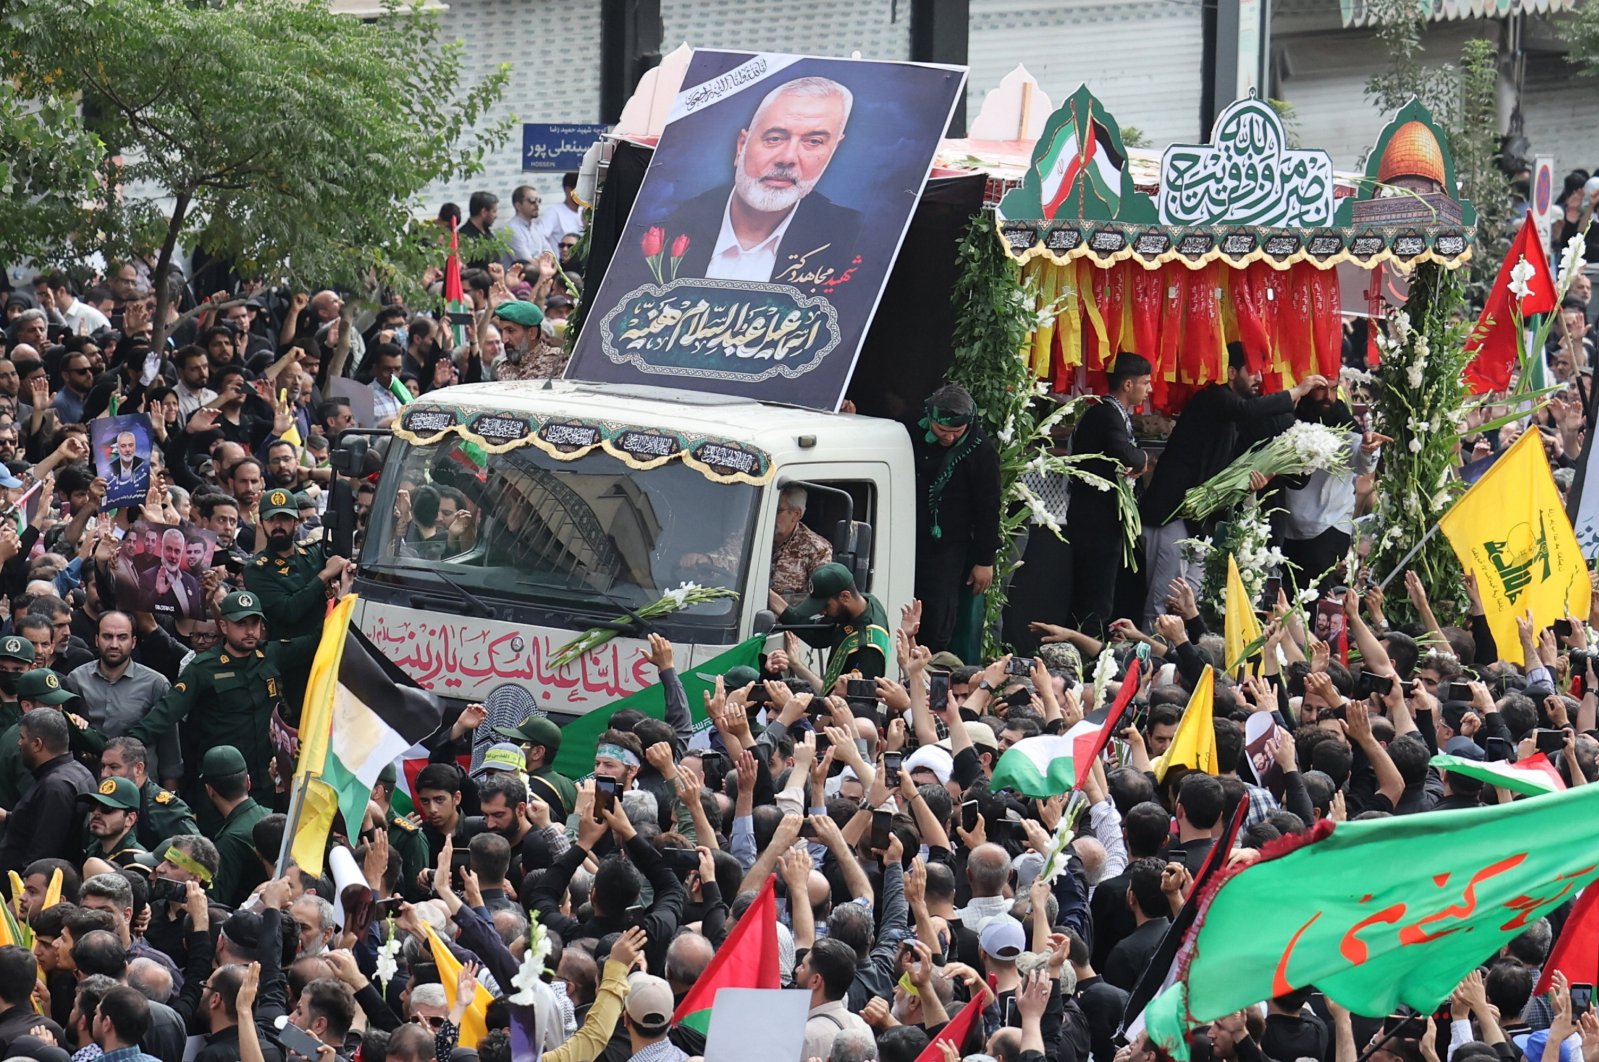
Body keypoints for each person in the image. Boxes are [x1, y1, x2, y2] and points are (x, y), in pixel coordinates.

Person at [1138, 346, 1327, 626]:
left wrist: (1250, 486)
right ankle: (1150, 663)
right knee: (1164, 600)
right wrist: (1296, 392)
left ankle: (1178, 661)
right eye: (1252, 371)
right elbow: (1246, 409)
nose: (1258, 378)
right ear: (1230, 372)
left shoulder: (1232, 419)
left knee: (1191, 600)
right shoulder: (1213, 398)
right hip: (1171, 512)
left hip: (1195, 521)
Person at [658, 76, 861, 285]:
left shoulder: (855, 240)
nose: (788, 158)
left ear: (832, 152)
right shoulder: (665, 225)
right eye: (774, 138)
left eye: (813, 142)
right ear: (741, 146)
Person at [1066, 353, 1151, 639]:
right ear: (1128, 384)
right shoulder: (1105, 413)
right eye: (1145, 383)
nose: (1149, 389)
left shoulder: (1112, 413)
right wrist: (1142, 458)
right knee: (1095, 599)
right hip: (1096, 522)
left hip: (1100, 522)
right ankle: (1088, 657)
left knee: (1097, 595)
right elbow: (1125, 454)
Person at [913, 383, 1001, 653]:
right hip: (910, 533)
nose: (949, 438)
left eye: (956, 432)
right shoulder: (913, 432)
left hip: (950, 546)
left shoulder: (981, 451)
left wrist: (984, 560)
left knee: (938, 611)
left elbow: (988, 508)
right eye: (941, 431)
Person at [774, 562, 892, 688]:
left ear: (845, 596)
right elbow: (818, 636)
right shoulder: (865, 603)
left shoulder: (867, 649)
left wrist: (797, 665)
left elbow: (852, 705)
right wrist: (771, 598)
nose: (821, 611)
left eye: (825, 605)